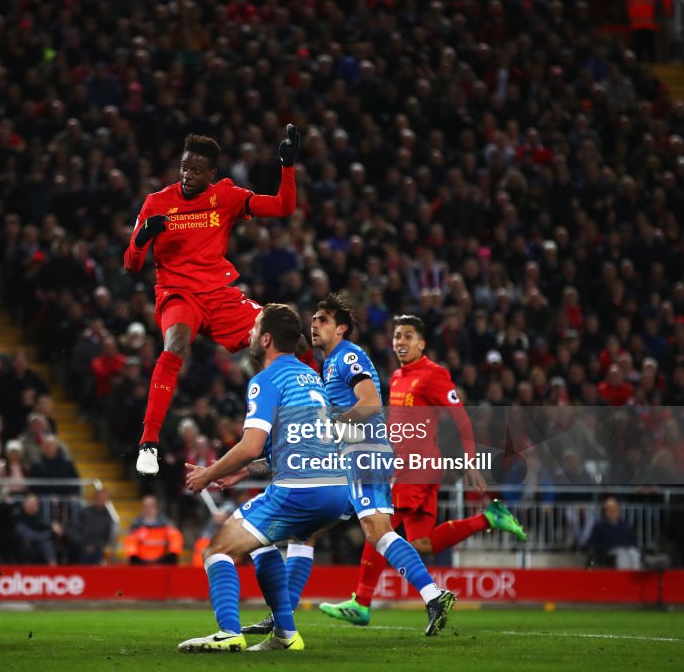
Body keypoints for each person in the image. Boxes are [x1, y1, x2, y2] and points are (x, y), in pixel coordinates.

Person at [179, 305, 454, 653]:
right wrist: (248, 470)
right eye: (312, 321)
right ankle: (283, 625)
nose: (315, 326)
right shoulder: (314, 375)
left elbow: (368, 404)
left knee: (375, 531)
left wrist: (211, 472)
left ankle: (431, 594)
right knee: (294, 539)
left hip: (355, 455)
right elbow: (287, 445)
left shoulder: (339, 358)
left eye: (323, 320)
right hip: (337, 477)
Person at [320, 314, 525, 626]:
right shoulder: (399, 376)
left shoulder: (433, 374)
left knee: (378, 530)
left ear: (422, 343)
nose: (401, 342)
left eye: (408, 336)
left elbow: (461, 418)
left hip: (415, 468)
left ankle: (361, 602)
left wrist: (469, 460)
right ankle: (489, 518)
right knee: (422, 543)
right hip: (410, 466)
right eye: (397, 336)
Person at [125, 126, 300, 476]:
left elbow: (283, 207)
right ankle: (149, 442)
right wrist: (143, 237)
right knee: (174, 344)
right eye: (184, 167)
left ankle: (319, 417)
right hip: (179, 295)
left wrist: (287, 166)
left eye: (196, 170)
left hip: (220, 296)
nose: (188, 175)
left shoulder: (227, 197)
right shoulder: (156, 203)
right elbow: (131, 263)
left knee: (287, 334)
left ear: (212, 174)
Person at [123, 495, 183, 565]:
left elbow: (176, 538)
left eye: (152, 506)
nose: (149, 509)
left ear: (156, 508)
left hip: (162, 561)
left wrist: (173, 553)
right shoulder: (136, 525)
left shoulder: (166, 525)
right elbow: (131, 542)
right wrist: (133, 555)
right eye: (146, 506)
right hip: (141, 562)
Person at [587, 496, 642, 569]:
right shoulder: (599, 526)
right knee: (621, 554)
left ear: (618, 511)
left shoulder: (625, 525)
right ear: (606, 512)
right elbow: (593, 543)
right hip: (607, 553)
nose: (613, 512)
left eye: (615, 510)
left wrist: (627, 547)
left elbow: (633, 541)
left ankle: (635, 576)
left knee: (634, 553)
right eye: (610, 510)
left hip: (626, 550)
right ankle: (623, 577)